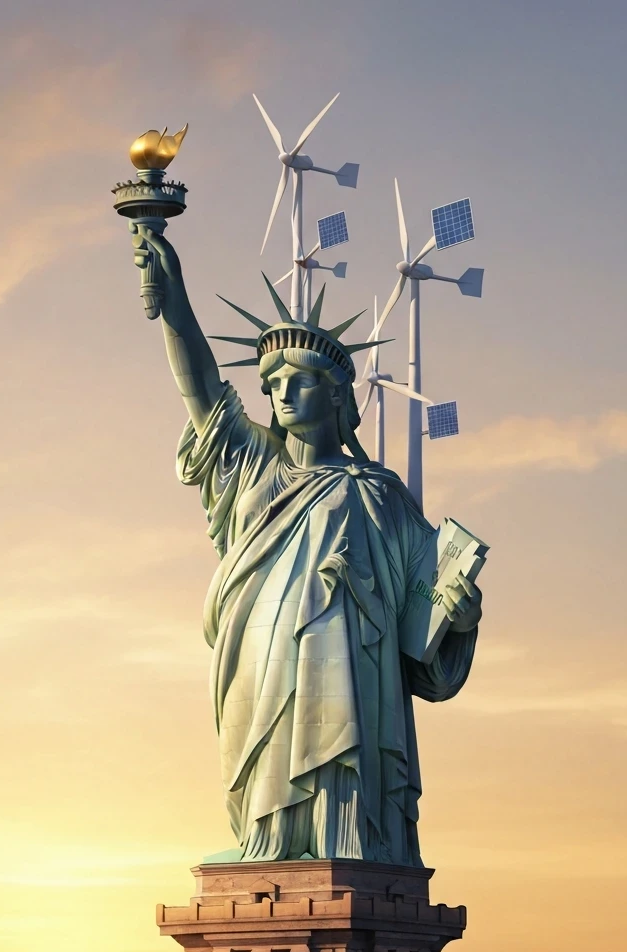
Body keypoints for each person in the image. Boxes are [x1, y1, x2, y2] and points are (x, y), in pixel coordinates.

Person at [130, 224, 482, 865]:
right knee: (269, 770)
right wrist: (173, 296)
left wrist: (460, 615)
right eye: (272, 383)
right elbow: (201, 390)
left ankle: (352, 845)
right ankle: (268, 844)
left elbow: (423, 625)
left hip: (356, 673)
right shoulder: (256, 469)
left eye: (299, 380)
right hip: (261, 662)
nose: (281, 393)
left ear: (338, 393)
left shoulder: (380, 495)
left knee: (346, 767)